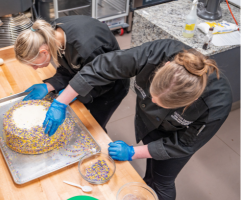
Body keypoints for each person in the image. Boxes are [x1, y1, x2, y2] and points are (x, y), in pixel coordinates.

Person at [47, 39, 232, 200]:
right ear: (164, 67)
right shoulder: (157, 54)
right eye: (152, 97)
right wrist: (61, 102)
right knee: (149, 173)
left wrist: (133, 153)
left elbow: (183, 145)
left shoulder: (216, 104)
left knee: (162, 181)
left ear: (189, 102)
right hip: (150, 125)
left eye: (162, 105)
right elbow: (102, 66)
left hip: (177, 139)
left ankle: (152, 187)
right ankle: (145, 185)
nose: (152, 103)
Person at [14, 15, 129, 136]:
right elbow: (69, 67)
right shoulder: (51, 34)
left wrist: (71, 95)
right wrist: (50, 85)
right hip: (90, 72)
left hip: (109, 87)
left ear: (44, 52)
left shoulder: (87, 48)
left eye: (34, 64)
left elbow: (101, 83)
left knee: (93, 126)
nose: (35, 68)